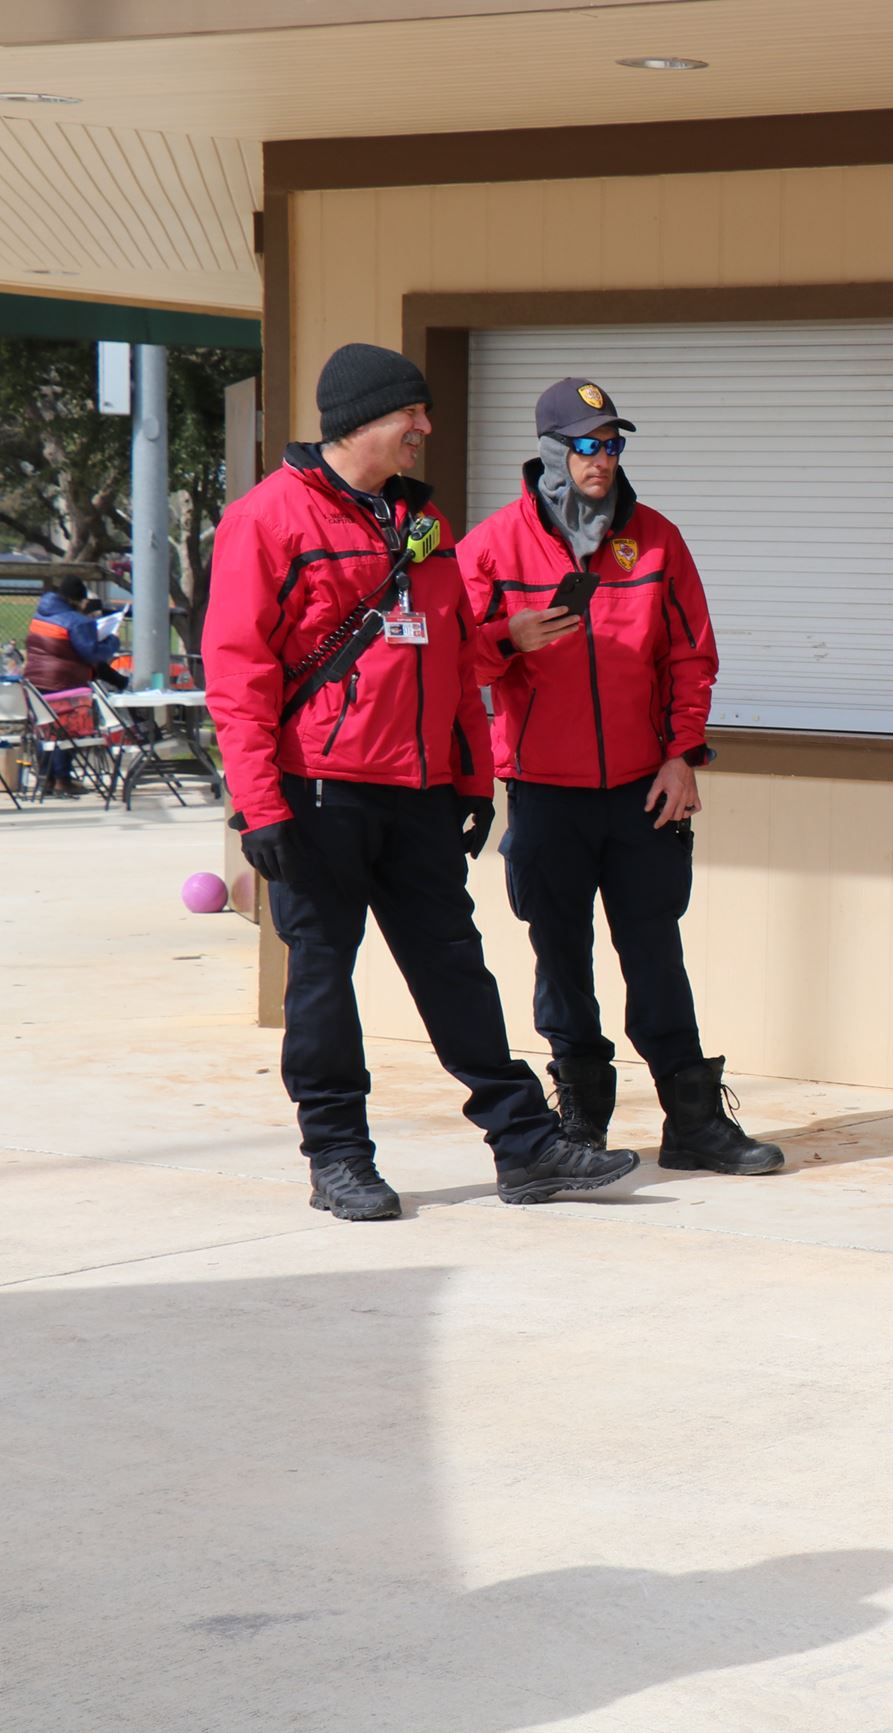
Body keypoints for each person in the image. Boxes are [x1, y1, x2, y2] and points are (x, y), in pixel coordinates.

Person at [203, 342, 633, 1221]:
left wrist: (471, 777)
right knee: (323, 978)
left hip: (421, 792)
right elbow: (237, 673)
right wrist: (259, 805)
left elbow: (452, 656)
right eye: (412, 414)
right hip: (318, 793)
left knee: (456, 969)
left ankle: (525, 1144)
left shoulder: (421, 521)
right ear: (363, 419)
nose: (425, 429)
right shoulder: (267, 518)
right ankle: (338, 1157)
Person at [457, 377, 781, 1178]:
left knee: (656, 953)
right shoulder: (493, 546)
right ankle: (580, 1121)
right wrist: (508, 638)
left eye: (612, 444)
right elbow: (451, 661)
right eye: (587, 445)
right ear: (551, 451)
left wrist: (682, 753)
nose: (602, 459)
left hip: (643, 787)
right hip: (544, 790)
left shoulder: (657, 539)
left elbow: (691, 656)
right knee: (561, 958)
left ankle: (694, 1121)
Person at [20, 575, 122, 795]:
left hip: (34, 684)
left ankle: (46, 778)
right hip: (64, 684)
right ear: (79, 600)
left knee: (46, 730)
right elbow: (92, 654)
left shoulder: (40, 616)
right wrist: (113, 640)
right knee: (68, 729)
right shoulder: (77, 622)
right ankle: (62, 780)